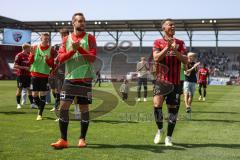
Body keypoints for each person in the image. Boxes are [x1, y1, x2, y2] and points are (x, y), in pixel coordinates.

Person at [51, 12, 97, 149]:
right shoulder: (66, 39)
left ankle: (82, 139)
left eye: (83, 21)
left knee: (84, 109)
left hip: (85, 79)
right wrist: (73, 50)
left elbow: (92, 58)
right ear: (73, 23)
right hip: (69, 79)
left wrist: (80, 48)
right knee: (63, 108)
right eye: (78, 21)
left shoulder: (90, 38)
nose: (81, 23)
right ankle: (63, 140)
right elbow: (61, 58)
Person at [152, 18, 187, 146]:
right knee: (157, 105)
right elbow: (156, 57)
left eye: (174, 25)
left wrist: (175, 50)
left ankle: (169, 137)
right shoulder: (157, 42)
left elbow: (185, 60)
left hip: (175, 82)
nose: (173, 27)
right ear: (164, 28)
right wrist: (167, 48)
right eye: (170, 25)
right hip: (161, 81)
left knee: (173, 111)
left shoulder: (180, 43)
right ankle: (160, 130)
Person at [29, 32, 55, 120]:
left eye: (48, 39)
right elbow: (30, 62)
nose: (46, 40)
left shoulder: (51, 49)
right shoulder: (35, 48)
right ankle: (41, 105)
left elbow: (52, 65)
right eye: (45, 39)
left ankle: (40, 114)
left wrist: (47, 60)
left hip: (44, 75)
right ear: (41, 38)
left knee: (43, 94)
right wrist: (32, 54)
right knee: (34, 95)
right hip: (34, 74)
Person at [50, 28, 70, 112]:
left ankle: (75, 108)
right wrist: (54, 59)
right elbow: (52, 58)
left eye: (65, 34)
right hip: (59, 71)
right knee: (58, 90)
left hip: (69, 70)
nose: (63, 36)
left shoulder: (71, 45)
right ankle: (57, 106)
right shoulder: (56, 46)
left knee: (68, 91)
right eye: (62, 35)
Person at [14, 43, 37, 109]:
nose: (30, 49)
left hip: (29, 76)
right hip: (21, 76)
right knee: (19, 90)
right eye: (29, 48)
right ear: (26, 48)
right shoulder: (19, 55)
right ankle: (18, 104)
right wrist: (24, 67)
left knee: (30, 89)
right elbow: (15, 66)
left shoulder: (29, 55)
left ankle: (32, 104)